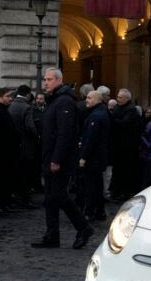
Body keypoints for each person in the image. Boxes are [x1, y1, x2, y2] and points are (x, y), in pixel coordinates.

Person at [31, 67, 93, 249]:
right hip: (50, 156)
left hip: (59, 159)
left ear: (58, 80)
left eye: (49, 79)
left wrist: (56, 159)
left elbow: (65, 134)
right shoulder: (55, 100)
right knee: (50, 197)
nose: (45, 82)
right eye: (45, 79)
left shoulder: (64, 101)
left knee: (59, 195)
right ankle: (52, 235)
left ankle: (83, 227)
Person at [78, 90, 109, 222]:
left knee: (91, 186)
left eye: (90, 98)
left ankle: (89, 212)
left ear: (97, 100)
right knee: (97, 185)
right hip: (99, 157)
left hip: (93, 158)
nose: (87, 100)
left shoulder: (95, 116)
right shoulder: (102, 113)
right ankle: (99, 211)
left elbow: (91, 139)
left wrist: (83, 157)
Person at [0, 88, 18, 214]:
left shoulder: (3, 110)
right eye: (7, 96)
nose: (10, 99)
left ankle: (3, 203)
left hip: (6, 151)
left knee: (5, 178)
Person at [109, 89, 142, 201]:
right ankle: (116, 191)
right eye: (118, 97)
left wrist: (113, 119)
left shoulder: (131, 110)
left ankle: (125, 192)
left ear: (127, 98)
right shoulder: (118, 108)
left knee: (126, 171)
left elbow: (125, 124)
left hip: (128, 148)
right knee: (118, 170)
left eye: (120, 97)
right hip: (118, 146)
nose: (118, 99)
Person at [8, 85, 38, 208]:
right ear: (27, 94)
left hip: (13, 143)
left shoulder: (11, 105)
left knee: (16, 171)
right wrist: (37, 136)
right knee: (26, 172)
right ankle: (25, 199)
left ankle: (15, 196)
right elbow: (30, 126)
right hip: (26, 144)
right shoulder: (27, 107)